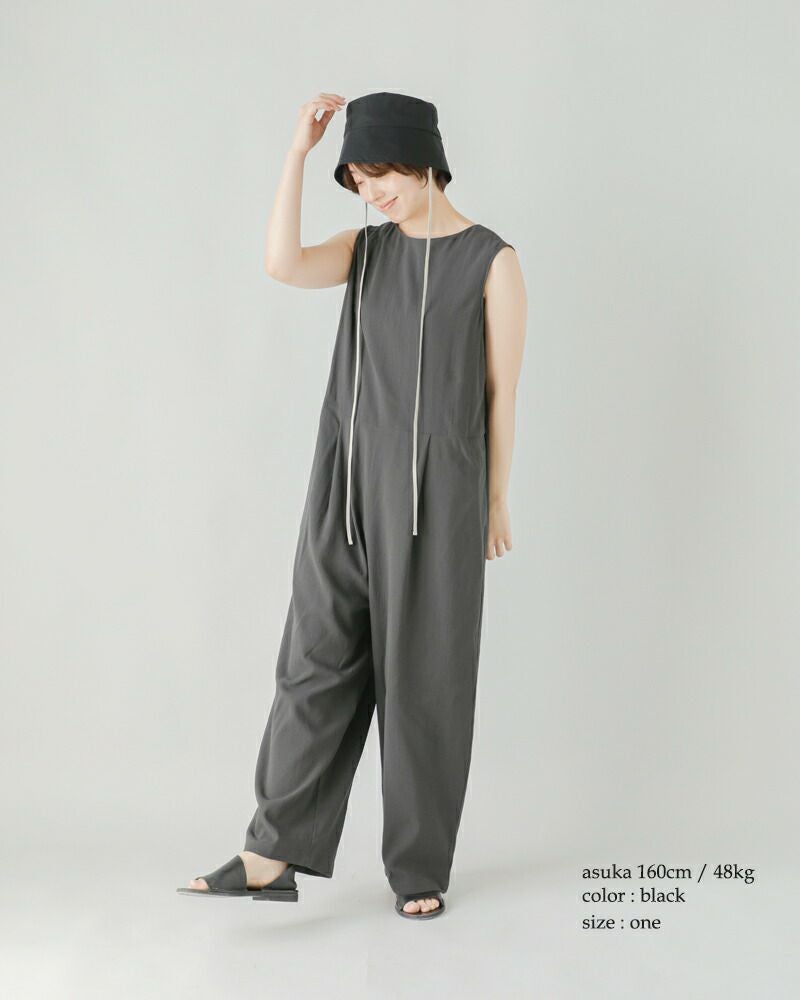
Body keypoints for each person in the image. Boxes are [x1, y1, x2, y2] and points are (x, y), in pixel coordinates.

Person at [177, 91, 527, 919]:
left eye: (379, 175)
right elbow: (282, 264)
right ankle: (270, 854)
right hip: (344, 488)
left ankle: (419, 870)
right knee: (314, 663)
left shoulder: (492, 261)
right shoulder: (364, 251)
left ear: (423, 161)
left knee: (426, 681)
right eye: (359, 182)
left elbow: (501, 394)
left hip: (439, 496)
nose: (372, 193)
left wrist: (495, 499)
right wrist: (298, 154)